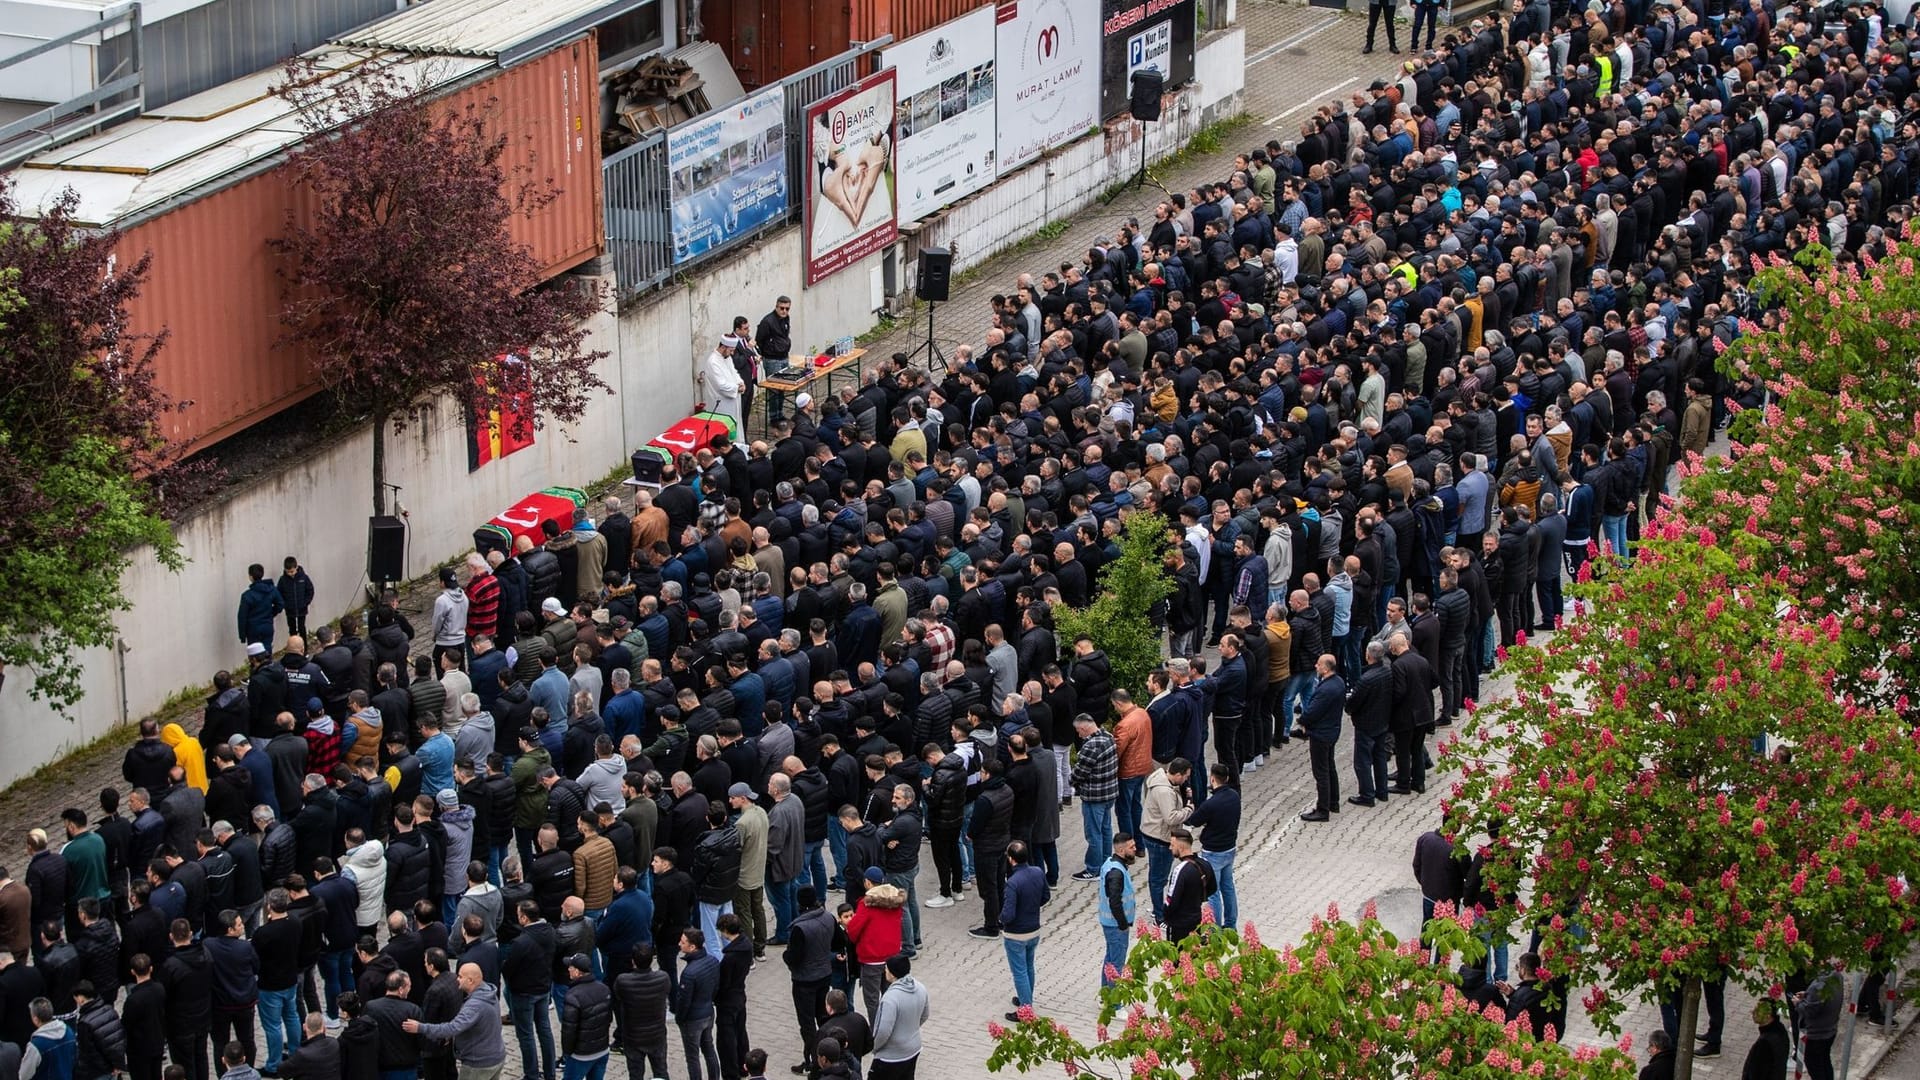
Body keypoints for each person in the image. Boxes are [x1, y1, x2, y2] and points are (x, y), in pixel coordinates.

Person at [1182, 762, 1240, 930]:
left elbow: (1193, 820)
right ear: (1227, 778)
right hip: (1230, 848)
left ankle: (1215, 929)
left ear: (1212, 779)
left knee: (1213, 892)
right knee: (1228, 887)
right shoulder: (1234, 796)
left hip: (1213, 852)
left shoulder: (1211, 803)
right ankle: (1231, 925)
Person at [1000, 840, 1048, 1021]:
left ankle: (1025, 1009)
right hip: (1033, 929)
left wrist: (1001, 918)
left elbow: (1008, 913)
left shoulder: (1013, 882)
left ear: (1011, 860)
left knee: (1019, 971)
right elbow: (1045, 896)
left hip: (1016, 934)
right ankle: (1025, 997)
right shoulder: (1037, 872)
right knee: (1028, 966)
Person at [1295, 655, 1345, 820]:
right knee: (1330, 767)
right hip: (1332, 731)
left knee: (1321, 772)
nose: (1316, 666)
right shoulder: (1338, 682)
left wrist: (1302, 721)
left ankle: (1323, 809)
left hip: (1321, 734)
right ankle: (1333, 801)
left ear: (1326, 668)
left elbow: (1312, 712)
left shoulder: (1326, 689)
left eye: (1319, 664)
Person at [612, 944, 672, 1080]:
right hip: (657, 1035)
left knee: (635, 1073)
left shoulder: (623, 980)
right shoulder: (663, 978)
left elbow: (618, 996)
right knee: (661, 1071)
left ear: (633, 961)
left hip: (633, 1036)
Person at [868, 955, 927, 1080]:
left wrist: (875, 1048)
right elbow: (925, 1015)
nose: (885, 971)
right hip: (913, 1049)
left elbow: (883, 1031)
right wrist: (910, 1029)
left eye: (887, 969)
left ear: (893, 974)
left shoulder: (890, 999)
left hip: (891, 1056)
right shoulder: (921, 988)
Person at [675, 928, 722, 1080]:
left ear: (692, 947)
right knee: (709, 1049)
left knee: (692, 1056)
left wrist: (679, 1018)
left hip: (693, 1020)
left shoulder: (689, 973)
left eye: (683, 942)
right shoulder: (713, 961)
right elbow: (716, 987)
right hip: (708, 1013)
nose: (679, 944)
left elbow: (684, 1001)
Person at [557, 953, 612, 1080]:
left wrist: (568, 1053)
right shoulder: (604, 989)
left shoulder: (573, 996)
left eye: (570, 967)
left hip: (580, 1056)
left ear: (577, 972)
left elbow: (568, 1031)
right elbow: (608, 1019)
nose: (568, 969)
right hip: (602, 1051)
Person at [1096, 833, 1137, 988]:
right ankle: (1115, 1005)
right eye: (1131, 847)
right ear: (1121, 850)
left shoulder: (1110, 863)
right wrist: (1123, 924)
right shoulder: (1116, 872)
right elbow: (1115, 901)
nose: (1135, 849)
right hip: (1116, 925)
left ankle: (1104, 993)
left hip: (1110, 923)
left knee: (1110, 959)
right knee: (1116, 964)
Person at [1160, 828, 1214, 943]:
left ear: (1181, 847)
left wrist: (1166, 916)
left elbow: (1171, 901)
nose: (1170, 848)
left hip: (1179, 925)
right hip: (1197, 920)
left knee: (1178, 958)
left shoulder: (1180, 870)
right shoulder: (1205, 863)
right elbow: (1213, 888)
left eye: (1172, 845)